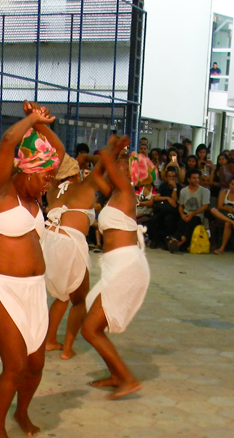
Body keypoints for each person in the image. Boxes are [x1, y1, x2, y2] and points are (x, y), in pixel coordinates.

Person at [0, 102, 60, 438]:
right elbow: (10, 139)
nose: (47, 186)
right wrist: (31, 120)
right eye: (43, 178)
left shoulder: (34, 193)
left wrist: (43, 128)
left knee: (36, 364)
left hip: (34, 290)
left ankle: (21, 413)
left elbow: (58, 153)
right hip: (2, 288)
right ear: (25, 172)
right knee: (15, 365)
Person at [82, 134, 149, 400]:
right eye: (121, 159)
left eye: (125, 161)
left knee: (90, 329)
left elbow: (105, 161)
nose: (120, 162)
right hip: (115, 265)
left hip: (126, 265)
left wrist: (114, 149)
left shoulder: (127, 191)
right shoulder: (113, 195)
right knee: (92, 315)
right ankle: (116, 374)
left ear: (130, 173)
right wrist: (109, 153)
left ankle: (128, 379)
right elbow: (96, 174)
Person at [43, 154, 104, 359]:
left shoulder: (52, 190)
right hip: (69, 243)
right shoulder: (84, 188)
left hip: (49, 241)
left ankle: (50, 341)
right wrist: (92, 157)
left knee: (62, 296)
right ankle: (68, 349)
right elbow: (103, 167)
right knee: (79, 300)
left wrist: (80, 159)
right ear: (77, 173)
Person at [168, 168, 210, 253]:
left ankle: (178, 243)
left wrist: (193, 214)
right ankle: (174, 241)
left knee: (190, 224)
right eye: (194, 178)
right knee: (180, 224)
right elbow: (180, 206)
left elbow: (205, 206)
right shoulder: (184, 191)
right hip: (186, 213)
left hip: (197, 215)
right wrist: (182, 215)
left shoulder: (205, 191)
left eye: (198, 178)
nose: (196, 180)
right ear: (189, 179)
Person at [147, 167, 180, 248]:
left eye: (173, 176)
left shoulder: (179, 187)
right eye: (169, 176)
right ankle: (155, 240)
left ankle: (167, 241)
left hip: (172, 210)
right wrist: (167, 198)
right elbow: (156, 198)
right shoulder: (163, 186)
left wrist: (175, 188)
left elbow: (174, 201)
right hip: (163, 208)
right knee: (154, 219)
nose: (171, 178)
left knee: (168, 219)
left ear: (176, 178)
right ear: (166, 178)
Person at [210, 177, 234, 254]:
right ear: (229, 184)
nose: (233, 186)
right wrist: (227, 208)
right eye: (232, 184)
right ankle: (232, 222)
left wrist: (232, 209)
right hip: (223, 213)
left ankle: (222, 248)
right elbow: (219, 206)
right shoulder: (224, 192)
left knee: (227, 224)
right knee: (213, 210)